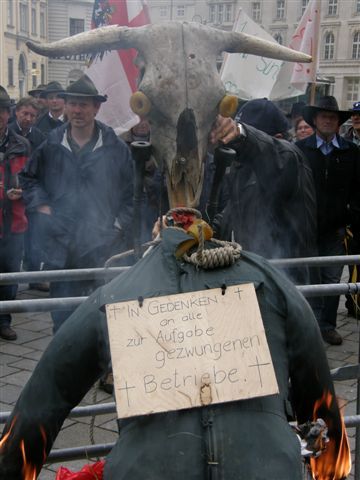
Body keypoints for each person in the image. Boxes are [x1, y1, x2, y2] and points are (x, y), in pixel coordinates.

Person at [0, 216, 349, 479]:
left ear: (155, 237)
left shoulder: (113, 293)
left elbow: (41, 405)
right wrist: (331, 472)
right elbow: (321, 401)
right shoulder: (271, 280)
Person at [19, 74, 134, 333]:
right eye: (72, 103)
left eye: (84, 104)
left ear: (96, 107)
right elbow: (28, 177)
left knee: (100, 317)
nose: (77, 110)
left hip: (102, 247)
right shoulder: (51, 143)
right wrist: (42, 206)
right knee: (62, 317)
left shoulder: (116, 148)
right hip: (61, 245)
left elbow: (132, 196)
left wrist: (117, 225)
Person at [211, 98, 317, 285]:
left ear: (276, 138)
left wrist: (243, 134)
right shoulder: (242, 169)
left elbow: (272, 154)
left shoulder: (290, 159)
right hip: (257, 274)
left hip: (288, 280)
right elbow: (230, 214)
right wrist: (197, 231)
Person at [296, 95, 360, 345]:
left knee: (333, 280)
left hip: (335, 230)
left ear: (337, 122)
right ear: (314, 119)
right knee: (309, 279)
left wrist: (349, 218)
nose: (328, 121)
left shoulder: (352, 152)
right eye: (324, 116)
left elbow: (358, 191)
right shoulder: (300, 150)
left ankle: (328, 325)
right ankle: (309, 325)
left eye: (333, 117)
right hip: (306, 229)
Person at [0, 86, 30, 341]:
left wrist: (24, 193)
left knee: (10, 272)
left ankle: (4, 319)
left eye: (1, 111)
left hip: (14, 221)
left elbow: (33, 181)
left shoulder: (22, 145)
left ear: (8, 114)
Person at [8, 97, 47, 290]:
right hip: (10, 196)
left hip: (30, 192)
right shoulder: (9, 133)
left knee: (35, 238)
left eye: (32, 115)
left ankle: (34, 276)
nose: (28, 118)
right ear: (16, 112)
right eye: (25, 113)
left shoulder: (39, 136)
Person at [343, 101, 360, 317]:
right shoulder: (345, 143)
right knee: (353, 259)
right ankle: (353, 301)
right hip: (352, 212)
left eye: (359, 115)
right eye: (354, 114)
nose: (356, 118)